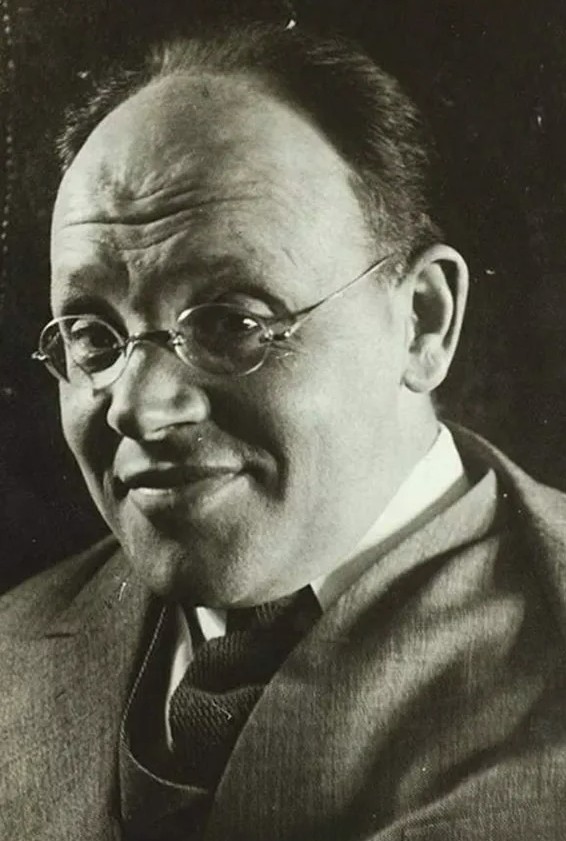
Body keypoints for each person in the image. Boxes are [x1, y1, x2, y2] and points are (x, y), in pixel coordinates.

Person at [1, 21, 566, 841]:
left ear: (422, 321)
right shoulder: (13, 648)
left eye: (232, 323)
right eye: (93, 337)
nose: (137, 408)